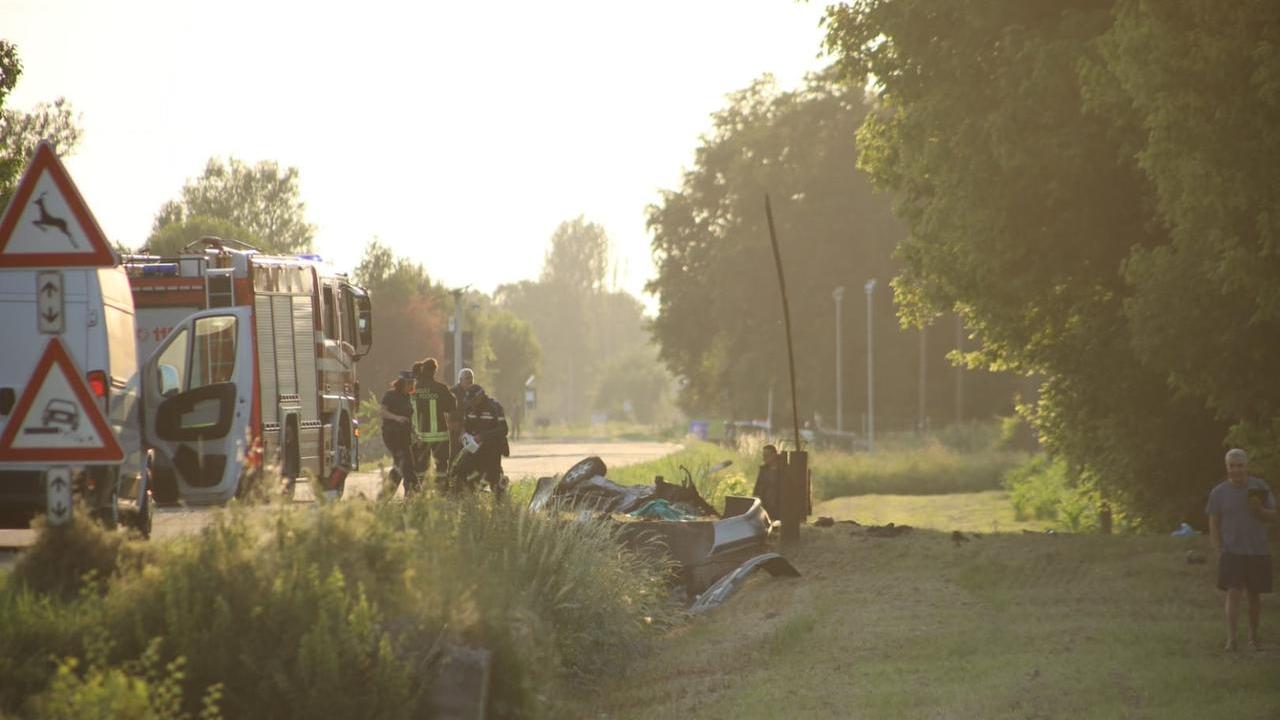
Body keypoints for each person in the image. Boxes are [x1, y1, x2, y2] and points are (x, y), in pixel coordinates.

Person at [1206, 448, 1277, 651]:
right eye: (1231, 466)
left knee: (1255, 595)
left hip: (1258, 550)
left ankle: (1254, 639)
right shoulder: (1219, 492)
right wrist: (1218, 550)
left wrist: (1261, 510)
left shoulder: (1259, 487)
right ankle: (1231, 640)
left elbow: (1274, 515)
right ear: (1226, 467)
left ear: (1246, 466)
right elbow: (1213, 523)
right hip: (1232, 551)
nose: (1235, 470)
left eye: (1239, 465)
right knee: (1233, 593)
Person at [448, 388, 510, 497]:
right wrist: (463, 433)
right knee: (462, 470)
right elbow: (466, 426)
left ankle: (501, 495)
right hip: (474, 447)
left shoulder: (494, 407)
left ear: (479, 397)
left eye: (472, 400)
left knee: (492, 478)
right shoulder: (469, 408)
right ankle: (468, 496)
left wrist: (483, 436)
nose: (470, 403)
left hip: (492, 448)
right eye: (469, 400)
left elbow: (503, 429)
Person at [411, 358, 456, 491]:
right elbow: (452, 407)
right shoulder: (441, 388)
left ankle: (420, 492)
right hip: (440, 435)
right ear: (435, 371)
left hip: (419, 436)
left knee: (420, 467)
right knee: (441, 464)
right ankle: (441, 490)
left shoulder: (414, 389)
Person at [379, 371, 420, 499]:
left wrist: (415, 435)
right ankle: (416, 493)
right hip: (392, 435)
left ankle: (384, 497)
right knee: (406, 464)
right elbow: (382, 412)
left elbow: (408, 419)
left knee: (400, 466)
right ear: (401, 383)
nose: (411, 386)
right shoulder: (390, 395)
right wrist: (396, 418)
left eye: (412, 383)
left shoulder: (407, 397)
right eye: (408, 383)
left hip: (405, 436)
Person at [752, 444, 784, 521]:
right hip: (765, 505)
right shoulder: (763, 470)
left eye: (766, 455)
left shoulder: (783, 470)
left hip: (779, 506)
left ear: (774, 455)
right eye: (763, 456)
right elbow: (758, 486)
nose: (764, 458)